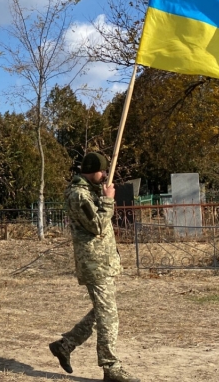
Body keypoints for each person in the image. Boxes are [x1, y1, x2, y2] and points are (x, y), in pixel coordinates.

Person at [49, 153, 140, 382]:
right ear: (92, 170)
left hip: (101, 262)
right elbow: (97, 225)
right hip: (94, 263)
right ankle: (111, 367)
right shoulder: (79, 195)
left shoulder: (88, 191)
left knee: (103, 311)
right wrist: (109, 199)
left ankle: (65, 345)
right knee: (108, 315)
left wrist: (103, 195)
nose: (105, 175)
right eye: (103, 171)